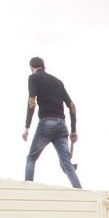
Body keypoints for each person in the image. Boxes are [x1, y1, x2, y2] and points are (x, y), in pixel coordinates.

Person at [21, 57, 81, 189]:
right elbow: (71, 106)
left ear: (32, 67)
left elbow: (31, 102)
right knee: (67, 164)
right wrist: (74, 130)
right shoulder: (58, 82)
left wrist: (27, 126)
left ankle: (27, 190)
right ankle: (80, 191)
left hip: (46, 123)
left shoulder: (33, 78)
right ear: (44, 66)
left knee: (31, 159)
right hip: (62, 126)